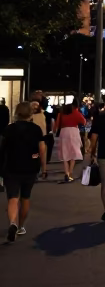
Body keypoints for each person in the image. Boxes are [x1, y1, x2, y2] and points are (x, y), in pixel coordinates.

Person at [1, 101, 46, 241]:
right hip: (30, 167)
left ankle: (12, 223)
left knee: (13, 198)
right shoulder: (36, 129)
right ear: (30, 113)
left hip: (11, 167)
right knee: (25, 197)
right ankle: (20, 226)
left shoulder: (9, 129)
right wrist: (43, 167)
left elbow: (2, 147)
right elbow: (42, 150)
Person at [54, 98, 87, 182]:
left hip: (64, 132)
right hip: (74, 132)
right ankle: (71, 173)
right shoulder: (76, 112)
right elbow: (83, 121)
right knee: (73, 153)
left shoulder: (61, 114)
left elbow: (57, 124)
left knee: (65, 153)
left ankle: (66, 173)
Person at [28, 100, 49, 179]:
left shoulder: (30, 116)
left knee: (35, 155)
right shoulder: (43, 114)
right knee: (43, 155)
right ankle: (44, 171)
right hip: (43, 137)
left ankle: (36, 172)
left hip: (34, 138)